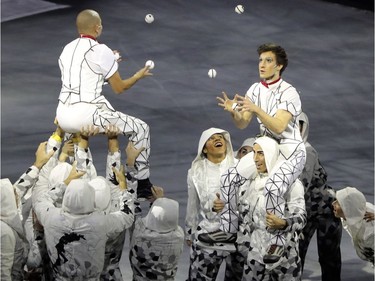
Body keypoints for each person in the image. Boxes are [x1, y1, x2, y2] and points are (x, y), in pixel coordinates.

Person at [215, 43, 306, 263]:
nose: (262, 65)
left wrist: (255, 109)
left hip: (290, 150)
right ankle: (228, 231)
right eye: (260, 60)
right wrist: (234, 112)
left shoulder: (289, 92)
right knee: (230, 178)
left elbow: (279, 127)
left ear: (279, 66)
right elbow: (242, 124)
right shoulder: (255, 89)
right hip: (267, 148)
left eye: (268, 61)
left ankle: (277, 242)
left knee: (274, 186)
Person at [55, 9, 153, 200]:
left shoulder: (66, 49)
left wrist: (108, 64)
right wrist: (137, 76)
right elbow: (119, 88)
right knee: (141, 129)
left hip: (62, 114)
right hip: (85, 114)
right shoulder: (101, 50)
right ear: (98, 27)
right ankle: (142, 183)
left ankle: (75, 188)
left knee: (107, 108)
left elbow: (85, 78)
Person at [235, 136, 306, 280]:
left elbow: (302, 218)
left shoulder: (291, 183)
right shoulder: (250, 183)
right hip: (255, 256)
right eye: (254, 153)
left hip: (284, 256)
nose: (255, 158)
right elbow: (244, 217)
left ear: (271, 154)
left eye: (261, 153)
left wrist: (284, 223)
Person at [185, 127, 244, 281]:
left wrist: (229, 206)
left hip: (238, 235)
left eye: (220, 137)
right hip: (209, 234)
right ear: (204, 149)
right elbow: (192, 204)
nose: (218, 139)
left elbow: (249, 199)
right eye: (212, 138)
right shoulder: (195, 172)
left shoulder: (240, 167)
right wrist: (189, 231)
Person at [297, 111, 342, 281]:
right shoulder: (283, 152)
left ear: (304, 127)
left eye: (297, 125)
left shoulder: (307, 152)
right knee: (295, 256)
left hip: (326, 212)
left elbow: (300, 186)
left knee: (328, 258)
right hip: (304, 213)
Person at [1, 141, 55, 280]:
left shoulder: (5, 211)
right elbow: (3, 273)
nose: (16, 195)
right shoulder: (4, 233)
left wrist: (38, 164)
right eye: (12, 194)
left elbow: (19, 188)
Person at [129, 186, 184, 281]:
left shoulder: (140, 233)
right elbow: (165, 219)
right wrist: (160, 201)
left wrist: (158, 202)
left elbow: (140, 218)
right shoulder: (179, 236)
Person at [332, 187, 374, 265]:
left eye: (338, 203)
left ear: (347, 208)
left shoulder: (369, 233)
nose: (333, 203)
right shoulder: (356, 210)